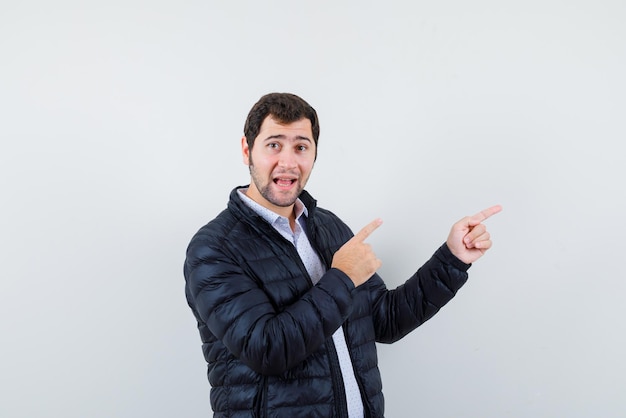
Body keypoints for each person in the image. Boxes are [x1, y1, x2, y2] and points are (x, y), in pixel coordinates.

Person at [184, 92, 501, 418]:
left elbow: (385, 320)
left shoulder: (329, 228)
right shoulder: (213, 249)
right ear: (247, 150)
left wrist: (452, 258)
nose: (289, 162)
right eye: (274, 145)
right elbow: (267, 349)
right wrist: (343, 277)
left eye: (301, 147)